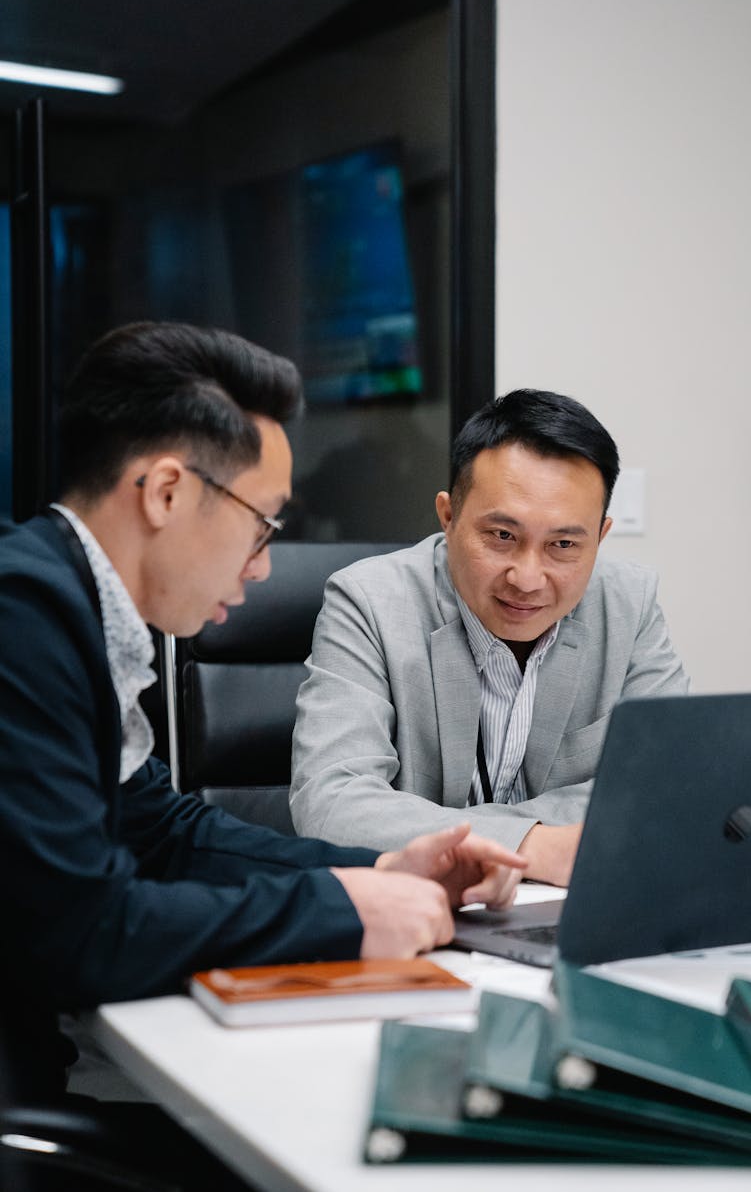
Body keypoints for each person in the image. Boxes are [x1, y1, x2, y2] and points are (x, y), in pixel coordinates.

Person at [0, 321, 524, 1112]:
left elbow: (160, 831)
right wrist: (338, 914)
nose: (264, 563)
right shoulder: (23, 617)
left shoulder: (70, 607)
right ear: (166, 491)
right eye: (263, 521)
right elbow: (87, 934)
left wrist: (372, 872)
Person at [290, 389, 689, 887]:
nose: (527, 577)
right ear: (448, 516)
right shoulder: (369, 601)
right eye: (502, 536)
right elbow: (330, 802)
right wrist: (534, 845)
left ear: (601, 537)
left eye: (563, 545)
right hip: (421, 911)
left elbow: (666, 786)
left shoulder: (629, 604)